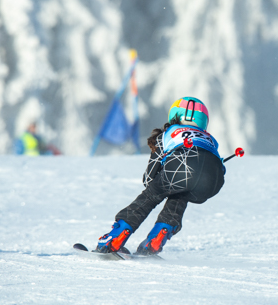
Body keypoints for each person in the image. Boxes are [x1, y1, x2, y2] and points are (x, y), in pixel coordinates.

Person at [96, 97, 225, 256]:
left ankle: (115, 237)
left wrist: (155, 187)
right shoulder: (210, 139)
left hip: (180, 168)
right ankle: (156, 239)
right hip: (213, 181)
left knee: (150, 197)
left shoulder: (168, 133)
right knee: (181, 194)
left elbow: (149, 178)